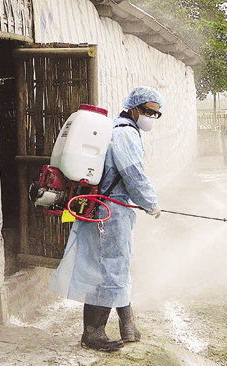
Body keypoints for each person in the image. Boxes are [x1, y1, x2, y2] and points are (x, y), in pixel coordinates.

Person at [51, 86, 164, 351]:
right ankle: (93, 334)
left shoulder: (117, 129)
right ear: (133, 107)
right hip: (109, 212)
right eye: (147, 111)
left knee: (116, 267)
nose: (150, 117)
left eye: (155, 114)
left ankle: (128, 326)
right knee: (108, 270)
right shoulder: (125, 134)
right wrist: (151, 203)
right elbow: (134, 174)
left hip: (106, 208)